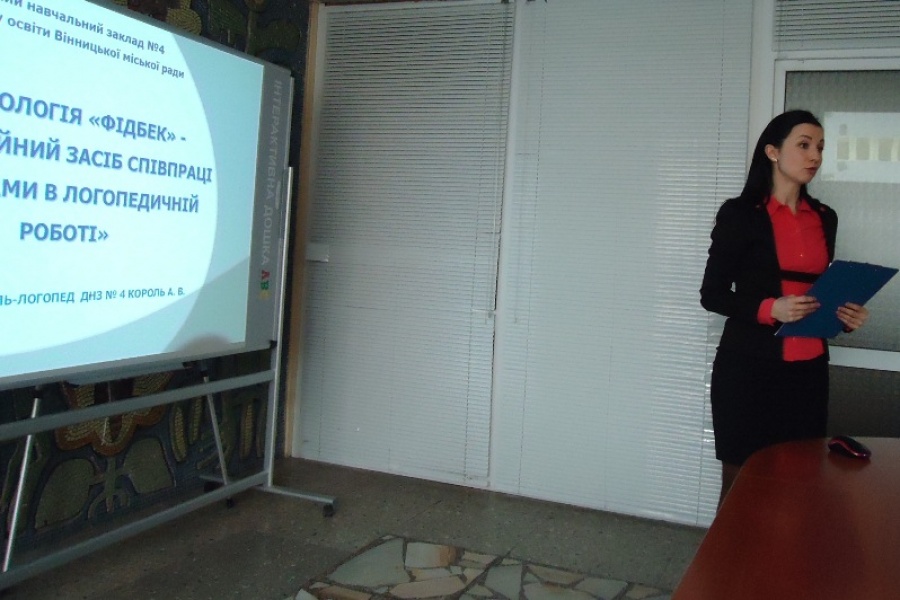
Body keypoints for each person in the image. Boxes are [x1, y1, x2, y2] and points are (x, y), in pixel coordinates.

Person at [700, 109, 869, 508]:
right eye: (804, 145)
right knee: (741, 486)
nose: (815, 156)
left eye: (821, 147)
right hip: (748, 370)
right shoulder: (740, 215)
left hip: (808, 372)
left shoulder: (824, 218)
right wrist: (770, 309)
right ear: (773, 152)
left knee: (797, 484)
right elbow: (712, 294)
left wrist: (845, 317)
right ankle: (730, 552)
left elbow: (820, 293)